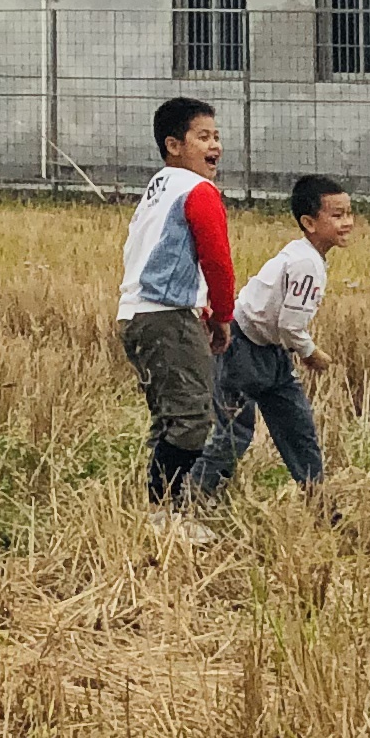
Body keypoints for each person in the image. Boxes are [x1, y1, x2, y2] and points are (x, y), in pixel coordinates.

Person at [190, 177, 351, 508]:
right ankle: (191, 494)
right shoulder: (306, 264)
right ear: (309, 223)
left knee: (296, 425)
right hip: (242, 349)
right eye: (336, 215)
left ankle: (318, 500)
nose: (347, 222)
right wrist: (311, 353)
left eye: (349, 213)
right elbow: (291, 325)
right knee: (236, 432)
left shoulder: (303, 255)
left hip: (270, 350)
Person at [116, 98, 234, 522]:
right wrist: (222, 315)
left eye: (217, 136)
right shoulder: (198, 191)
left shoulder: (157, 189)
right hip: (166, 316)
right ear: (173, 145)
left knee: (170, 417)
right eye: (203, 136)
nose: (215, 144)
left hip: (135, 314)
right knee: (192, 419)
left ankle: (162, 510)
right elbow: (217, 259)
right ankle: (166, 514)